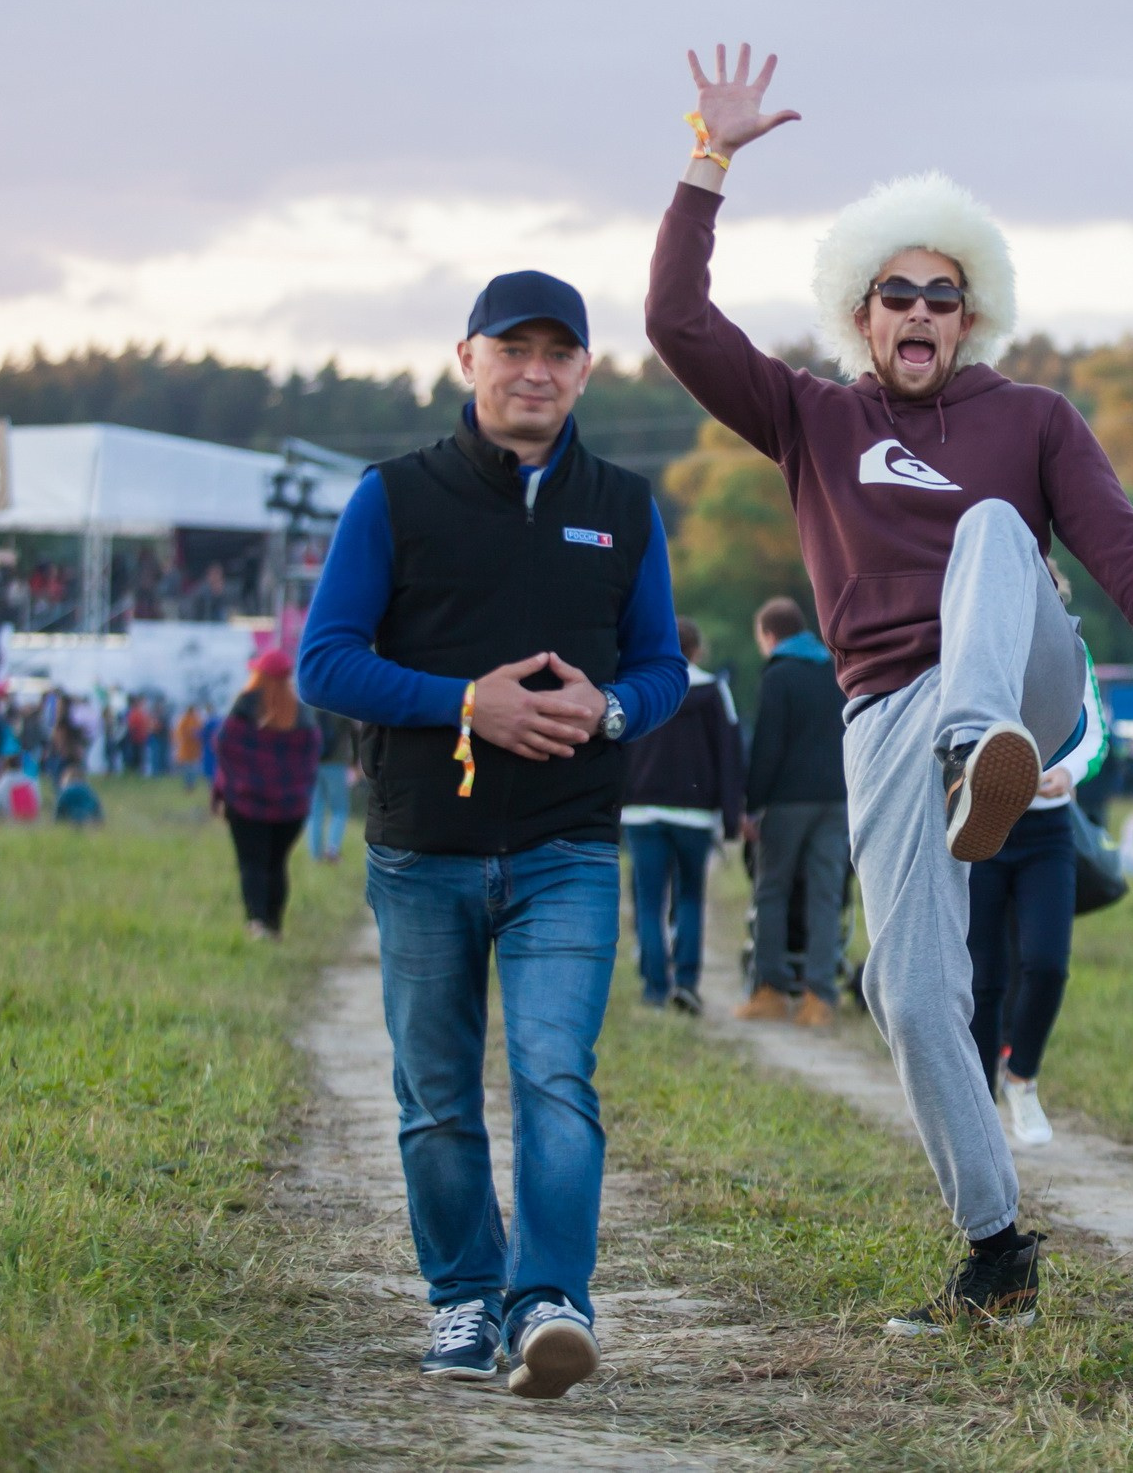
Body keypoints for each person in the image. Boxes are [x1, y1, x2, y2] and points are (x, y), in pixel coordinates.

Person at [646, 43, 1133, 1335]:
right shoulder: (812, 419)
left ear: (970, 318)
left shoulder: (1032, 419)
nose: (920, 311)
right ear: (862, 313)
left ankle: (985, 751)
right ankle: (998, 1252)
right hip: (886, 715)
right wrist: (710, 162)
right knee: (907, 994)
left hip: (1021, 675)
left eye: (944, 295)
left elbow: (1118, 541)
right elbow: (678, 326)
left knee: (987, 530)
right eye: (897, 293)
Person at [299, 266, 686, 1397]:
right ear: (466, 358)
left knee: (557, 1073)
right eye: (512, 348)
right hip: (423, 847)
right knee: (435, 1090)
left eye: (558, 352)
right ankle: (464, 1294)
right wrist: (470, 702)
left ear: (585, 371)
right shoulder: (392, 497)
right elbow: (326, 661)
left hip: (570, 845)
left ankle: (550, 1299)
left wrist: (611, 709)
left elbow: (662, 666)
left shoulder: (624, 504)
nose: (535, 371)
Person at [968, 617, 1106, 1148]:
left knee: (1048, 964)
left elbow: (1094, 731)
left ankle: (1021, 1078)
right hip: (982, 822)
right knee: (984, 978)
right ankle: (978, 1109)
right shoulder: (976, 635)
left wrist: (1068, 773)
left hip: (1048, 831)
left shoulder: (1073, 647)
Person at [736, 595, 850, 1025]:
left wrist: (752, 805)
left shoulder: (778, 674)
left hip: (787, 801)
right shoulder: (835, 670)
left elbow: (767, 745)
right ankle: (819, 997)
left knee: (772, 891)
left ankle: (770, 990)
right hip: (836, 799)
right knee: (826, 895)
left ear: (768, 635)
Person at [621, 617, 744, 1012]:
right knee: (690, 897)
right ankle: (687, 982)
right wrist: (731, 819)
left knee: (649, 901)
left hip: (641, 811)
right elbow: (729, 756)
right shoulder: (713, 691)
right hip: (694, 814)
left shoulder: (638, 687)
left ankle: (655, 988)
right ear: (697, 650)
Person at [213, 653, 323, 939]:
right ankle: (274, 925)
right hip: (290, 809)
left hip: (246, 805)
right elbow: (310, 760)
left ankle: (257, 922)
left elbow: (225, 750)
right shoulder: (302, 716)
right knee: (276, 864)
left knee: (252, 863)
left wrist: (227, 792)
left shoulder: (243, 710)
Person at [308, 706, 359, 864]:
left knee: (315, 810)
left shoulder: (312, 707)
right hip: (336, 765)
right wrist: (354, 763)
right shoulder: (341, 708)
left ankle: (316, 855)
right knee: (339, 809)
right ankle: (332, 850)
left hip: (313, 763)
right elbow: (355, 734)